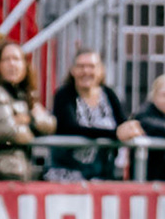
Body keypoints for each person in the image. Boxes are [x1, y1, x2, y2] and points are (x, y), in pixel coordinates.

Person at [0, 39, 53, 181]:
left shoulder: (25, 93)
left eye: (16, 59)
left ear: (25, 65)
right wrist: (35, 128)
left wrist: (28, 120)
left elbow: (51, 124)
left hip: (21, 171)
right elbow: (6, 131)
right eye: (6, 59)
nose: (12, 64)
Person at [49, 47, 130, 181]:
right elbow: (69, 128)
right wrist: (114, 134)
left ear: (100, 70)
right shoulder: (64, 94)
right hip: (67, 175)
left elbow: (123, 124)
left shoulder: (109, 94)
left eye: (91, 66)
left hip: (104, 174)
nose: (86, 71)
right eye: (81, 66)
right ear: (73, 70)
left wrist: (130, 128)